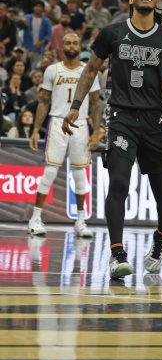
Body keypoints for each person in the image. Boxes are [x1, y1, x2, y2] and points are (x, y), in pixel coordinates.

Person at [61, 0, 162, 279]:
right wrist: (76, 105)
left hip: (155, 121)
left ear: (156, 0)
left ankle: (160, 241)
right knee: (118, 183)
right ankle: (117, 254)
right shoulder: (113, 32)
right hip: (121, 117)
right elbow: (89, 71)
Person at [27, 32, 102, 237]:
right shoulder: (53, 70)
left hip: (80, 124)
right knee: (50, 170)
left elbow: (96, 103)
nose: (71, 45)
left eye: (74, 42)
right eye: (67, 42)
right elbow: (43, 101)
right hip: (58, 121)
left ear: (80, 46)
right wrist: (35, 129)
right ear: (62, 46)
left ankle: (80, 221)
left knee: (80, 173)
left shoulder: (89, 71)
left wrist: (96, 132)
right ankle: (35, 218)